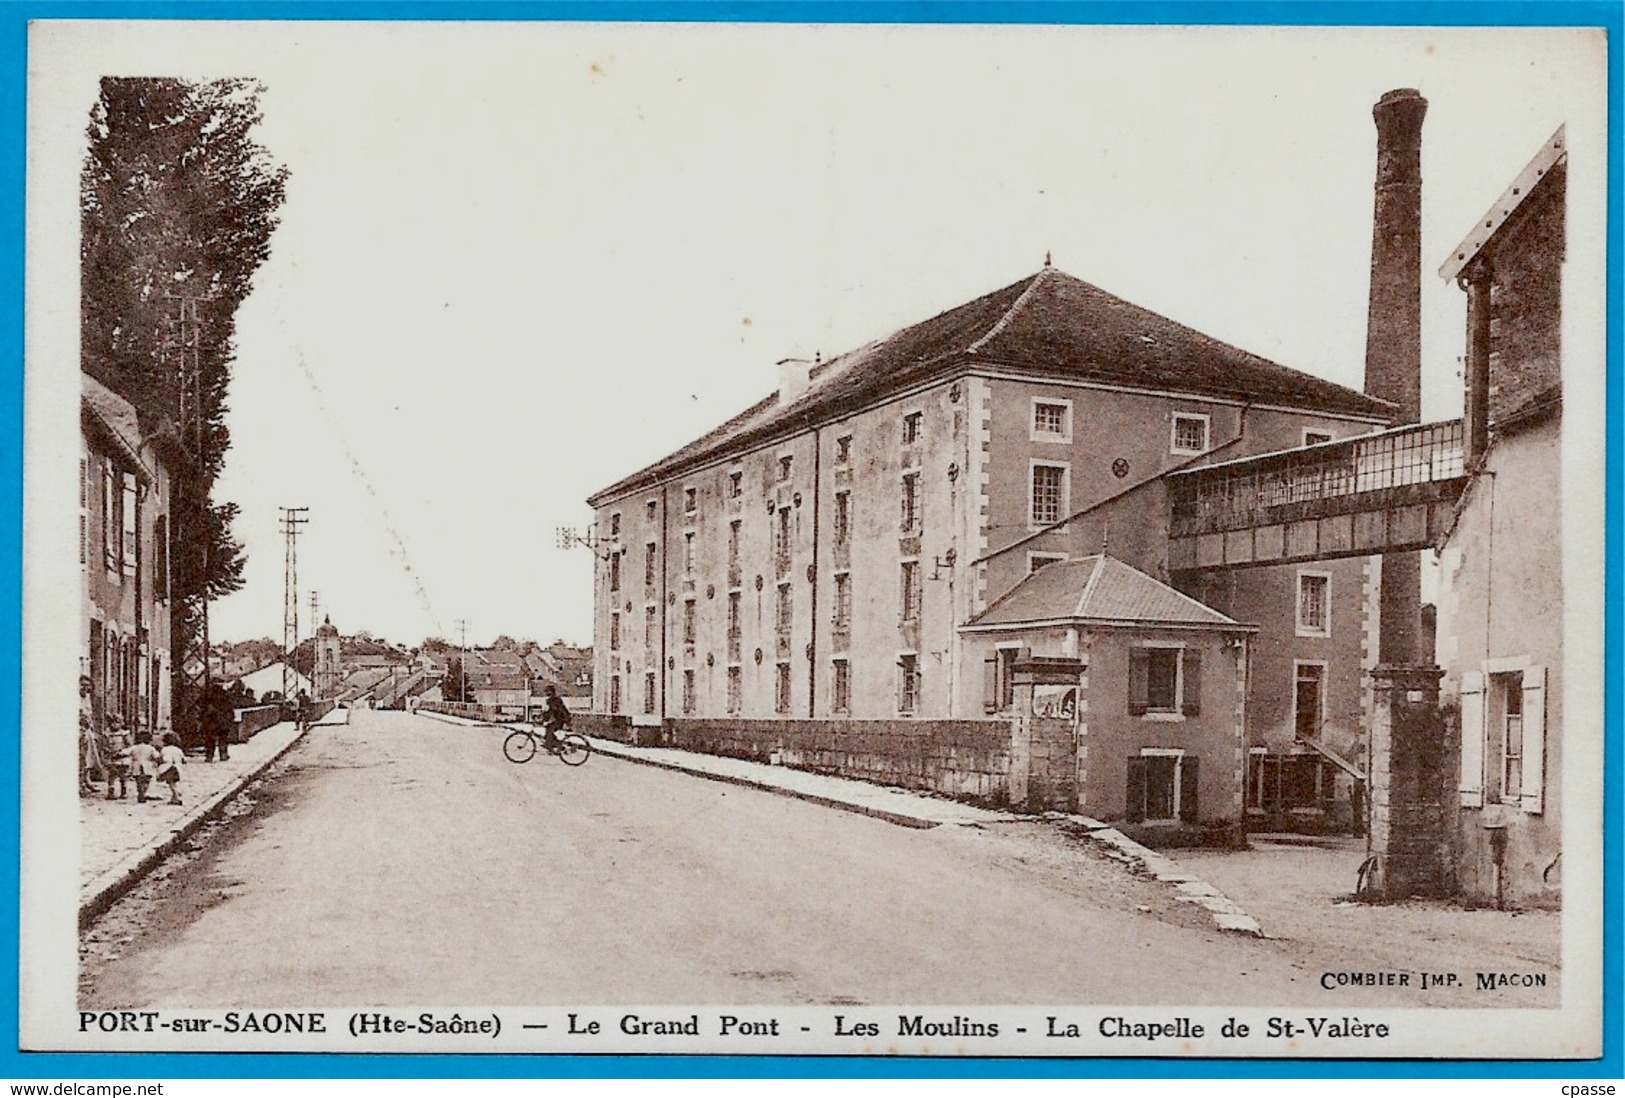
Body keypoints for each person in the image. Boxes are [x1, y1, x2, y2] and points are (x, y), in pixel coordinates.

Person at [127, 731, 159, 804]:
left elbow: (126, 752)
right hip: (147, 765)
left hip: (136, 765)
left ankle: (140, 792)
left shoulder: (134, 747)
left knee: (138, 781)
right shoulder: (151, 748)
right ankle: (143, 792)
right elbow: (156, 756)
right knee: (146, 781)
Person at [538, 684, 571, 752]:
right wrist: (542, 717)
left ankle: (556, 745)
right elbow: (548, 712)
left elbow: (551, 712)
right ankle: (553, 745)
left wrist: (543, 719)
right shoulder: (552, 700)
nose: (547, 694)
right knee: (548, 730)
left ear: (552, 692)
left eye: (548, 692)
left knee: (550, 730)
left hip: (561, 719)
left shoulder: (555, 700)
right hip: (559, 719)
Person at [156, 732, 185, 806]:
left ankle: (177, 797)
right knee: (173, 783)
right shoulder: (178, 750)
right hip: (178, 768)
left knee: (171, 784)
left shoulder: (165, 749)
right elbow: (183, 759)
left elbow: (163, 759)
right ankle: (174, 797)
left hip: (169, 767)